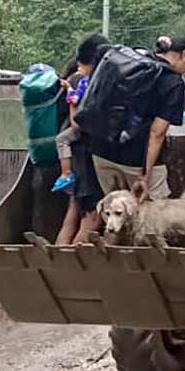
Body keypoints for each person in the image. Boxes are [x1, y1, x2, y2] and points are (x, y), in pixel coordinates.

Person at [90, 35, 185, 202]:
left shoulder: (130, 63)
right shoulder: (173, 82)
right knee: (154, 218)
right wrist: (145, 176)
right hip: (135, 158)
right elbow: (157, 133)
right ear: (184, 54)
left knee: (118, 214)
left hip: (100, 151)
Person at [55, 35, 111, 245]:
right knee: (92, 217)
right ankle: (67, 266)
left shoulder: (74, 80)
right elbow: (77, 124)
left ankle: (57, 260)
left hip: (77, 161)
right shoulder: (84, 82)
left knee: (73, 214)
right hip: (85, 161)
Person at [52, 34, 108, 194]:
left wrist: (69, 90)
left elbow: (74, 101)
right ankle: (66, 173)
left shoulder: (82, 81)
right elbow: (76, 122)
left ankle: (66, 173)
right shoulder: (86, 81)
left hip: (83, 147)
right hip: (86, 149)